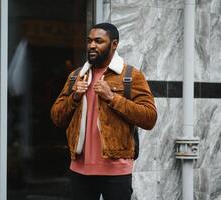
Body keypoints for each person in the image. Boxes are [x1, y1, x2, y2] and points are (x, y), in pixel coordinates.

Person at [50, 23, 157, 200]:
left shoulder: (130, 76)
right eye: (89, 41)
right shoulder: (76, 76)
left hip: (116, 170)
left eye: (99, 41)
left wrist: (112, 98)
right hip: (79, 169)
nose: (92, 45)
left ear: (114, 44)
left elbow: (149, 118)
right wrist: (74, 97)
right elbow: (56, 117)